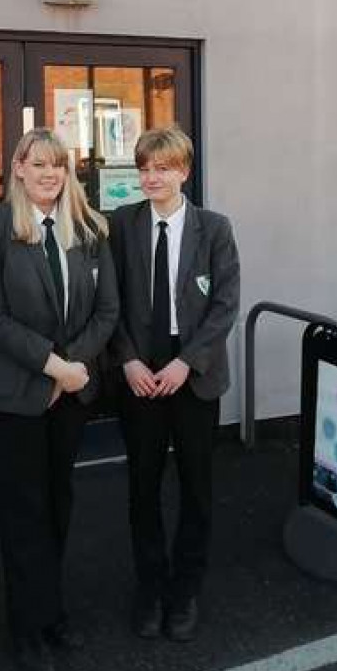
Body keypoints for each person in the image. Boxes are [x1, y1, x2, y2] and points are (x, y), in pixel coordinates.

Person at [0, 128, 118, 671]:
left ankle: (51, 612)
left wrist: (73, 368)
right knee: (23, 513)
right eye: (38, 164)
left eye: (58, 164)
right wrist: (54, 368)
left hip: (69, 396)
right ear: (19, 170)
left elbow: (107, 312)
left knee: (58, 505)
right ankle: (26, 628)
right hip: (15, 397)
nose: (49, 174)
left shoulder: (90, 229)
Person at [109, 126, 241, 642]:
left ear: (184, 171)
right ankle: (150, 588)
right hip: (140, 372)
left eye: (162, 168)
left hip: (194, 374)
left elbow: (225, 303)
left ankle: (184, 590)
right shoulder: (121, 225)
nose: (151, 177)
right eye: (144, 168)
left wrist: (188, 361)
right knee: (142, 488)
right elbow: (109, 304)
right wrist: (127, 361)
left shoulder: (214, 228)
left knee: (196, 488)